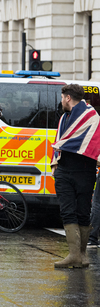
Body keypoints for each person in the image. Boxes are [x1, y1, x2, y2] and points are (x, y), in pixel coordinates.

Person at [50, 83, 100, 268]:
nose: (61, 101)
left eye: (63, 97)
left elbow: (92, 142)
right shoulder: (64, 118)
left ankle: (82, 254)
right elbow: (61, 141)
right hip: (65, 170)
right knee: (68, 211)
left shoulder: (91, 116)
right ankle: (75, 255)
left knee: (82, 213)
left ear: (68, 98)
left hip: (84, 172)